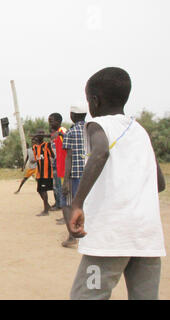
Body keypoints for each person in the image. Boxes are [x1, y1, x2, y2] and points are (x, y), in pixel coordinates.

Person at [67, 67, 166, 300]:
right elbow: (159, 183)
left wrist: (77, 203)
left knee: (86, 296)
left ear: (95, 101)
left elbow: (100, 152)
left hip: (111, 239)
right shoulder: (140, 131)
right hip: (147, 238)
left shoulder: (96, 125)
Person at [60, 105, 87, 247]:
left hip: (75, 175)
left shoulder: (70, 132)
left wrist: (65, 181)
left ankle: (72, 237)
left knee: (66, 203)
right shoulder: (92, 129)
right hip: (90, 174)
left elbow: (69, 157)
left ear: (72, 116)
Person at [32, 132, 55, 216]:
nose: (37, 137)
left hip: (46, 172)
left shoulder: (46, 145)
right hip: (39, 173)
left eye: (39, 136)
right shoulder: (34, 148)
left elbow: (52, 155)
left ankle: (46, 210)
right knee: (39, 190)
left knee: (44, 190)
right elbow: (37, 159)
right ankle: (47, 206)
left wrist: (49, 154)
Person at [48, 113, 67, 212]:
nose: (50, 124)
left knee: (62, 188)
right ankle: (58, 203)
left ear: (58, 121)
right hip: (57, 165)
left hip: (63, 165)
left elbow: (67, 139)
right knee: (56, 186)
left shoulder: (62, 131)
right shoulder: (55, 133)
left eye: (51, 121)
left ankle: (63, 207)